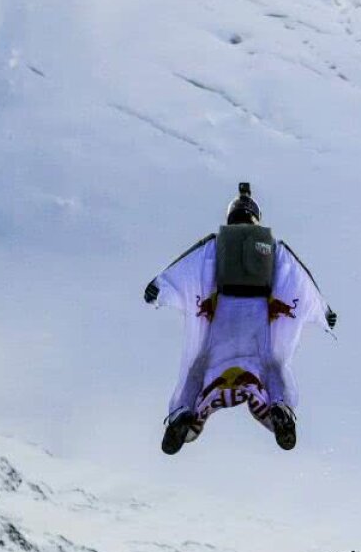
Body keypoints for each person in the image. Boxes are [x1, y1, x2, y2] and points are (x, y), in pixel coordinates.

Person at [143, 183, 336, 455]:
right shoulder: (274, 249)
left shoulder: (215, 245)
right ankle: (280, 407)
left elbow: (187, 265)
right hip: (257, 329)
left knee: (197, 370)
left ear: (230, 216)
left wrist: (159, 288)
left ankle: (183, 416)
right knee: (273, 367)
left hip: (221, 326)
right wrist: (323, 313)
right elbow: (298, 276)